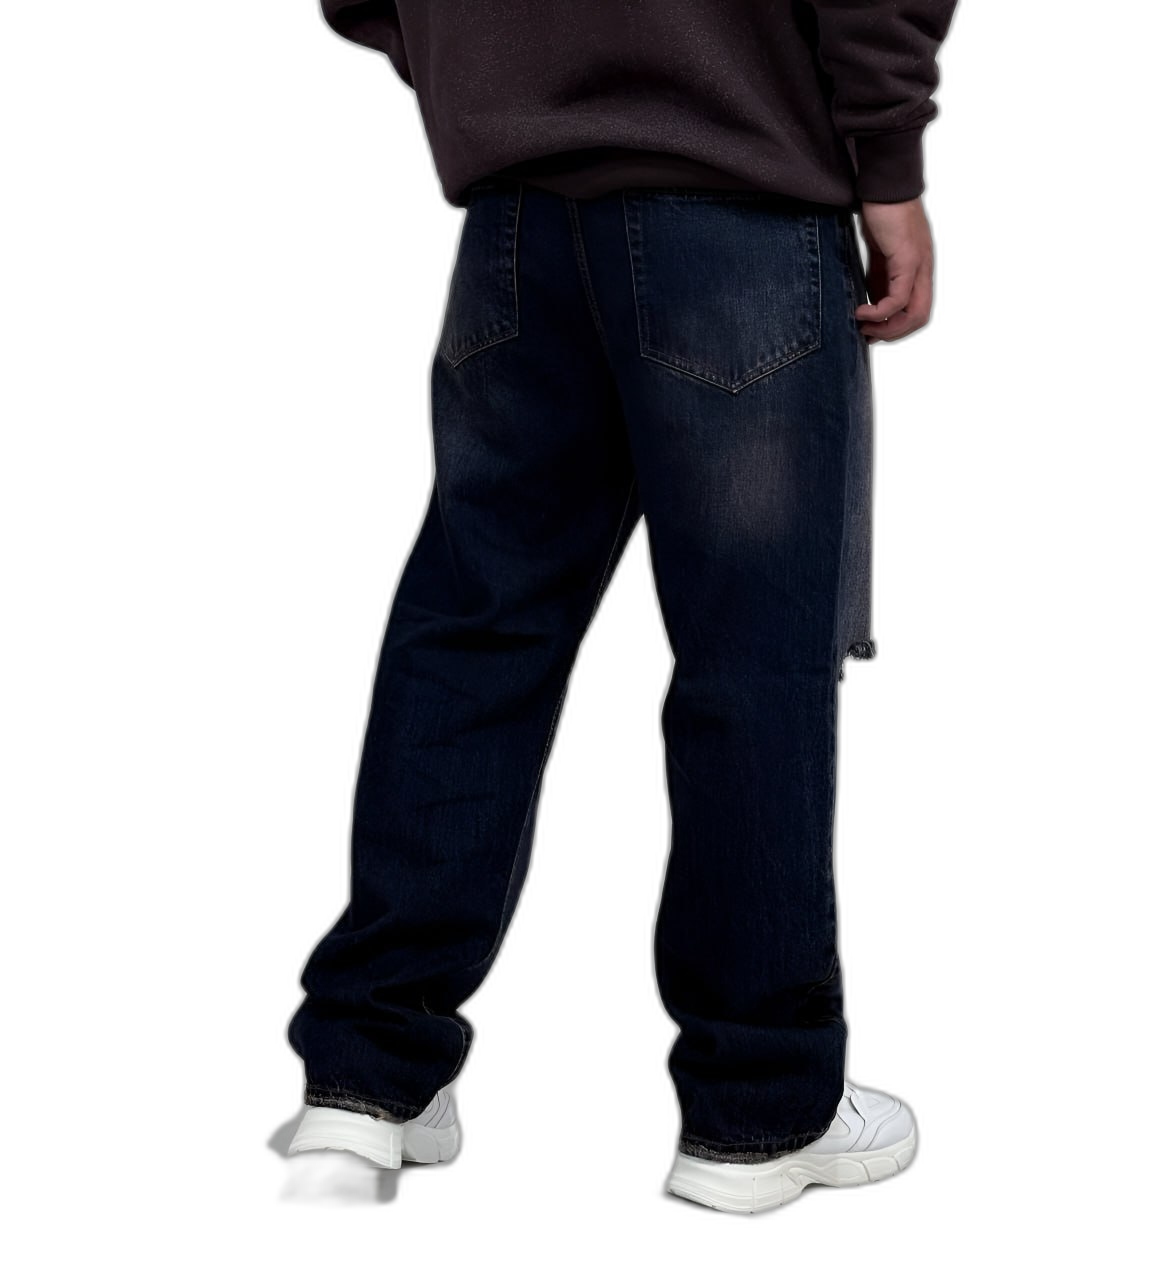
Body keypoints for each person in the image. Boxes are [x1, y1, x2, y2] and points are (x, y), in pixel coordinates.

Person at [277, 0, 960, 1214]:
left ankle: (362, 1077)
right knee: (752, 664)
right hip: (740, 201)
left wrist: (490, 67)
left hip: (514, 220)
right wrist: (891, 164)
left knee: (473, 634)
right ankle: (754, 1107)